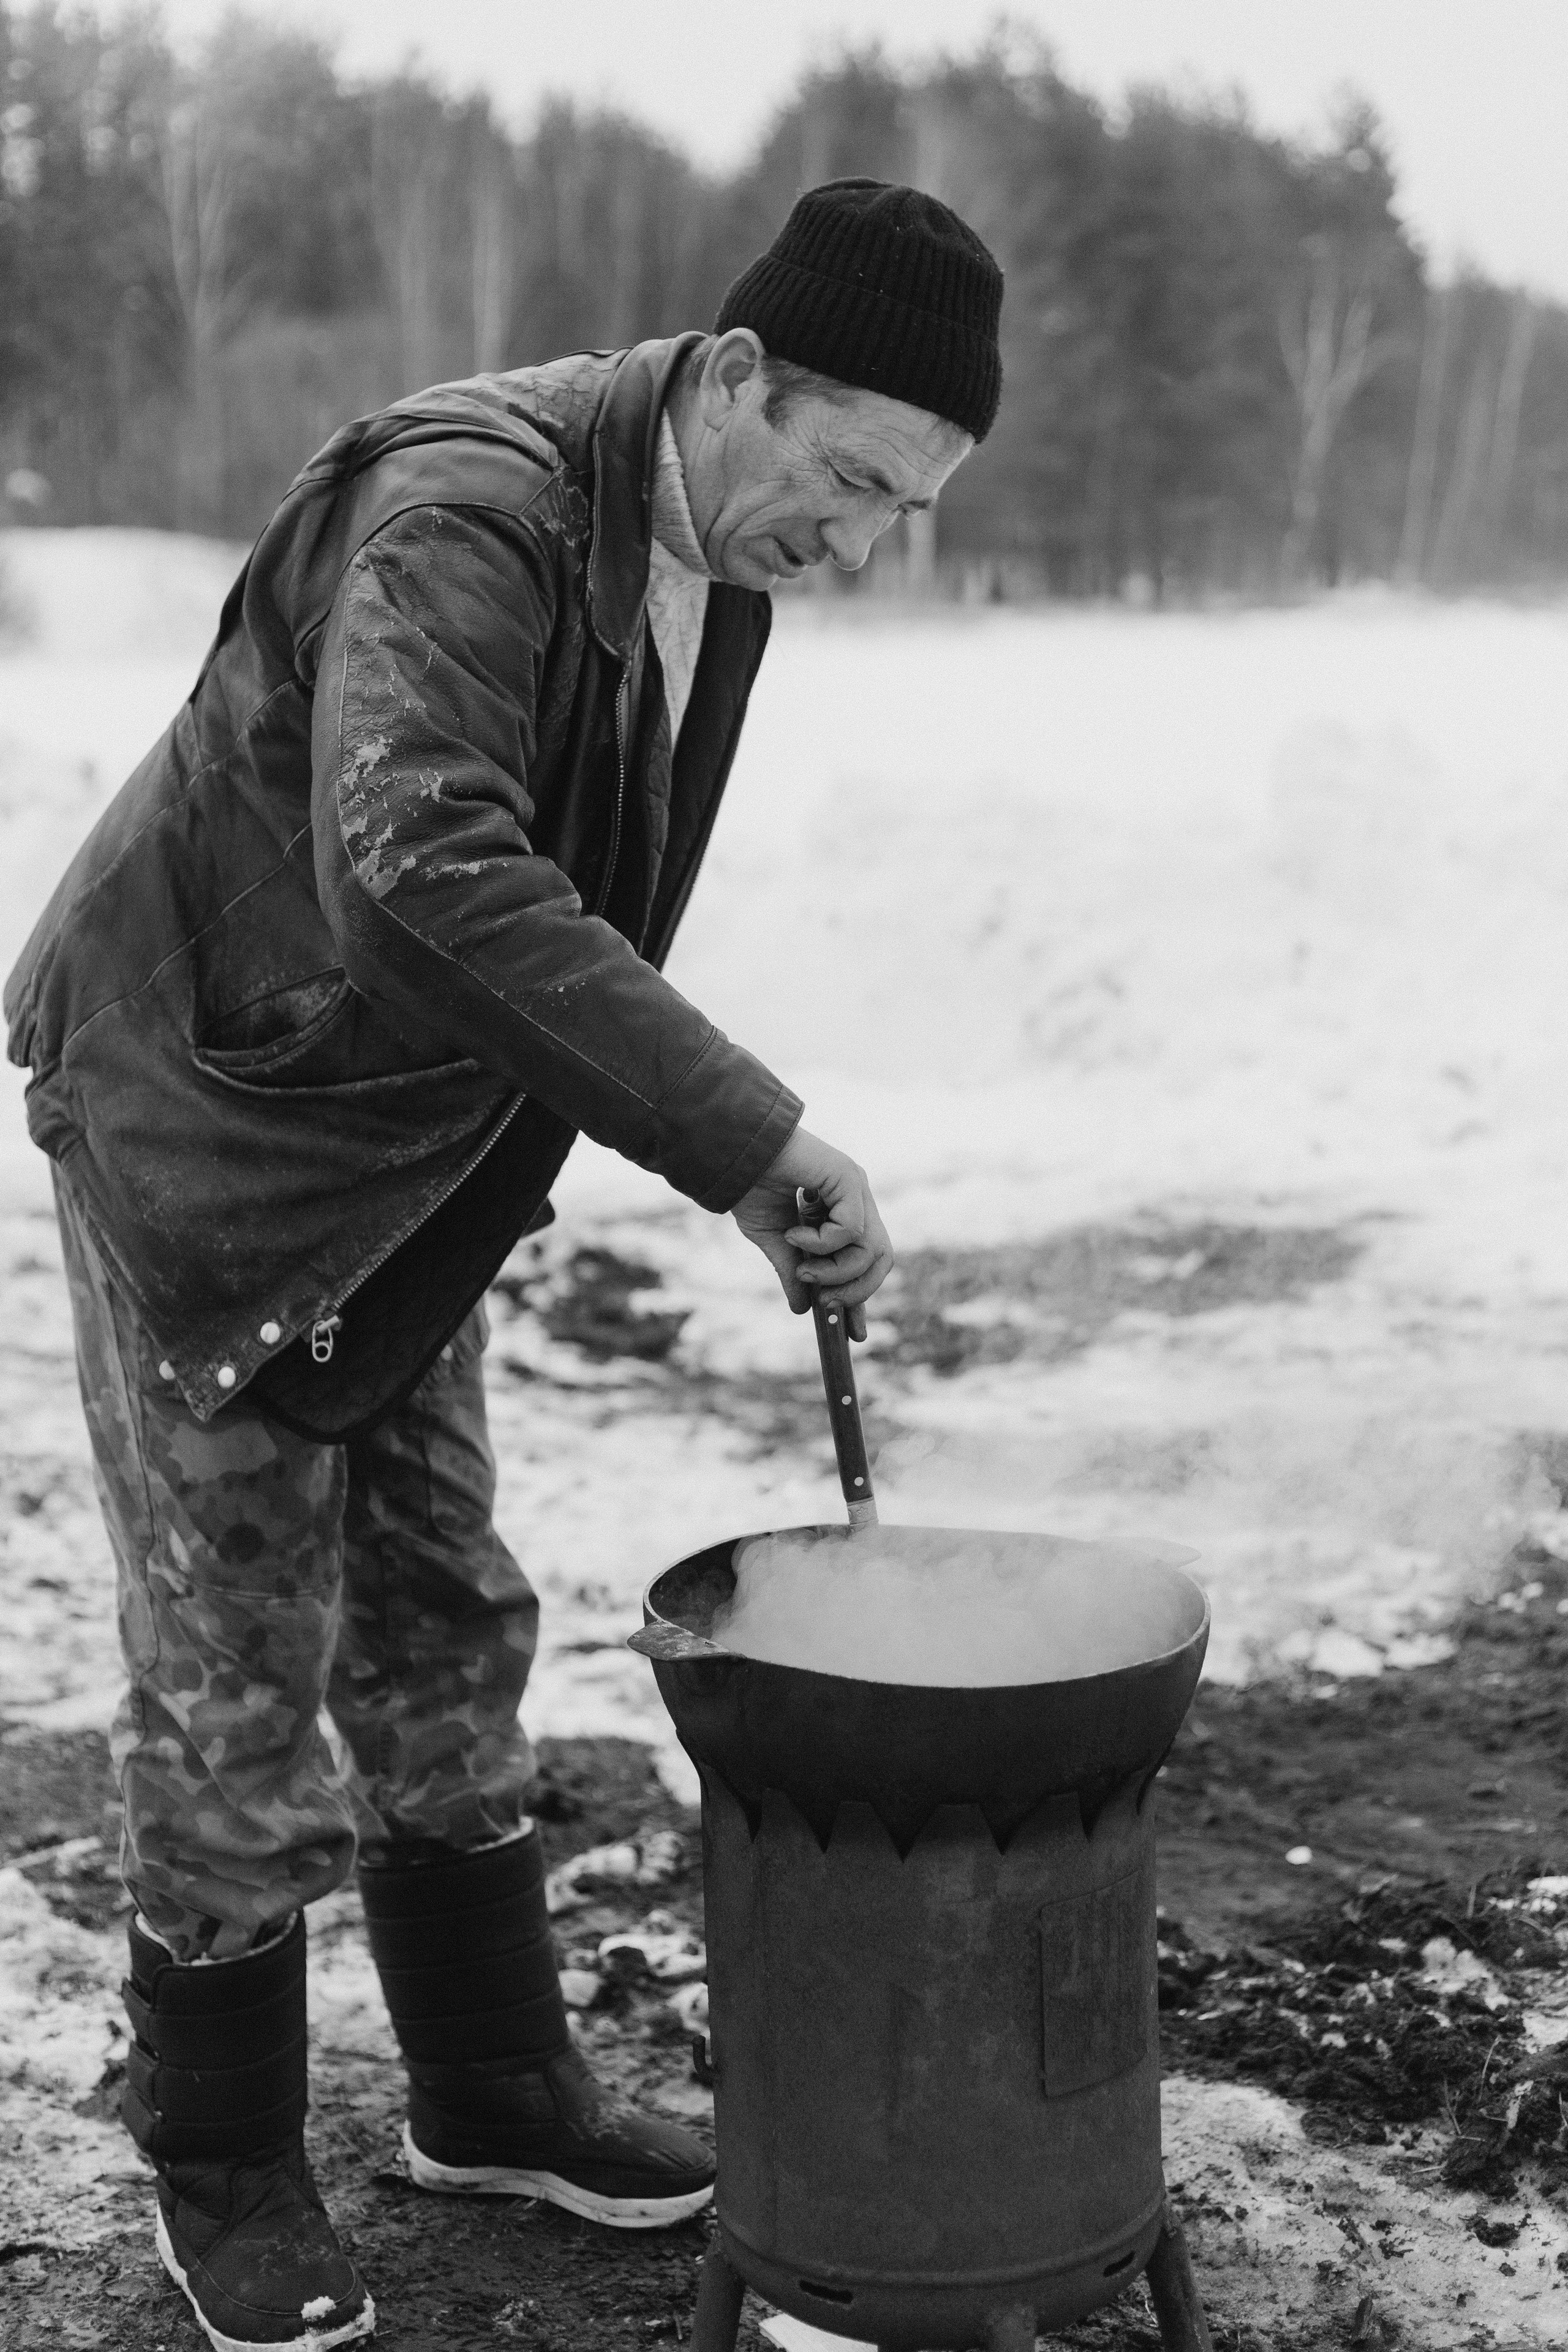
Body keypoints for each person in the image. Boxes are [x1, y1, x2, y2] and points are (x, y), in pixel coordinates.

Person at [5, 178, 1003, 2349]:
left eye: (896, 516)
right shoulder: (470, 500)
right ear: (736, 379)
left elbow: (575, 898)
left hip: (407, 1144)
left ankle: (487, 2081)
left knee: (445, 1596)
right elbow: (414, 856)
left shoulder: (704, 551)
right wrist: (743, 1136)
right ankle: (223, 2156)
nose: (846, 547)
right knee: (239, 1652)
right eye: (842, 480)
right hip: (213, 1111)